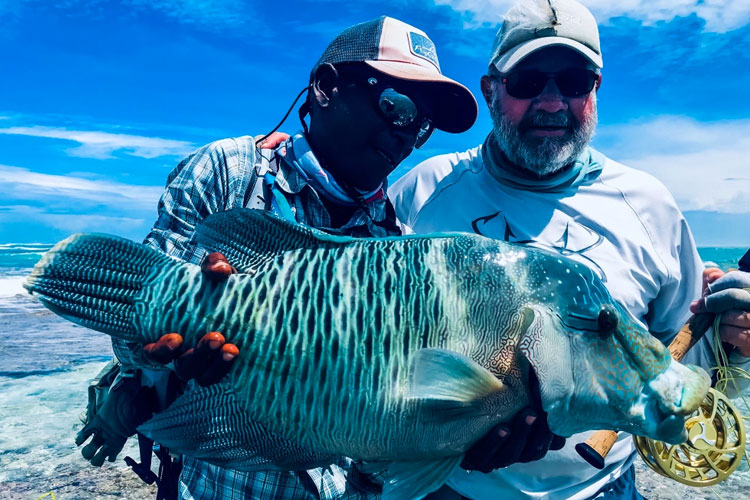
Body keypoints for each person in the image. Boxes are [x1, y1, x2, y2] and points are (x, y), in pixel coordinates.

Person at [75, 16, 484, 500]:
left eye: (422, 126)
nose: (405, 134)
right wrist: (152, 345)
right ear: (327, 87)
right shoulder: (231, 173)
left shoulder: (398, 245)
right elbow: (132, 321)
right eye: (397, 106)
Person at [389, 0, 750, 499]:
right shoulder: (420, 192)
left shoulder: (651, 205)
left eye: (575, 81)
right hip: (446, 486)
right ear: (491, 90)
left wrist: (735, 345)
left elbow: (681, 367)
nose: (553, 103)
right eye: (529, 80)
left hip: (603, 485)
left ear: (596, 91)